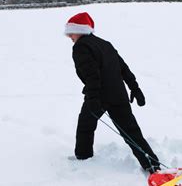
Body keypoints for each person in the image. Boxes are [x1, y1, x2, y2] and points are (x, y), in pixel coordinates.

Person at [65, 12, 161, 174]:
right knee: (131, 131)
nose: (69, 37)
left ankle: (83, 157)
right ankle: (152, 165)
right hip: (118, 94)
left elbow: (91, 75)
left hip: (98, 96)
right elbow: (123, 68)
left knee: (85, 126)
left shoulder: (81, 47)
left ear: (79, 30)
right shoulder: (105, 44)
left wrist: (94, 97)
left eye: (70, 32)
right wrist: (134, 88)